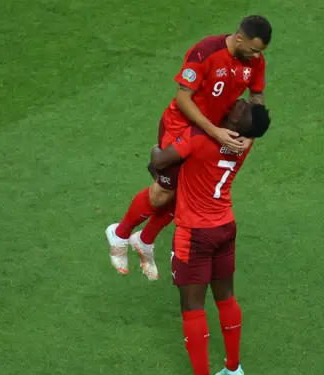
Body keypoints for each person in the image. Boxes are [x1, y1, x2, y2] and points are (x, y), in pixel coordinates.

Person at [105, 16, 273, 280]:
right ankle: (120, 233)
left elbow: (257, 96)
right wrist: (214, 130)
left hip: (210, 135)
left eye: (259, 52)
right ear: (239, 38)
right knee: (163, 193)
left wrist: (251, 136)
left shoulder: (254, 61)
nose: (256, 56)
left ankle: (145, 240)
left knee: (188, 195)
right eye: (253, 49)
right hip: (181, 128)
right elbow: (182, 98)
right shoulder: (206, 52)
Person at [150, 99, 271, 375]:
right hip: (225, 227)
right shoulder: (245, 145)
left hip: (195, 234)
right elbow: (254, 127)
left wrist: (155, 152)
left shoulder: (199, 138)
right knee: (226, 297)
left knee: (192, 308)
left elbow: (161, 162)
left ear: (238, 126)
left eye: (242, 110)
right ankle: (233, 368)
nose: (240, 101)